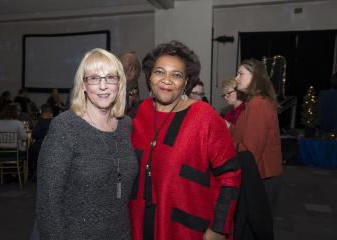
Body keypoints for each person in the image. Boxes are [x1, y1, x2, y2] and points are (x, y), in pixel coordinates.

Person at [129, 40, 241, 240]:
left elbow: (230, 176)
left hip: (188, 229)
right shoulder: (138, 113)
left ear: (187, 82)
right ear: (149, 77)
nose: (166, 80)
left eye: (176, 75)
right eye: (159, 72)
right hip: (138, 224)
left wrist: (218, 228)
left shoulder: (204, 116)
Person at [36, 48, 138, 240]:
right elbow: (48, 204)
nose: (103, 86)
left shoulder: (126, 125)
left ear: (119, 83)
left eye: (110, 77)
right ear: (83, 84)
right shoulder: (65, 127)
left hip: (122, 234)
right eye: (94, 78)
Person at [230, 58, 282, 215]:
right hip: (260, 176)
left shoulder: (258, 104)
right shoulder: (254, 102)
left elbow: (249, 152)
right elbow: (244, 134)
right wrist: (226, 127)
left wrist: (222, 146)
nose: (236, 78)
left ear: (255, 77)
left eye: (240, 74)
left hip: (261, 178)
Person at [29, 104, 53, 181]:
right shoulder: (56, 122)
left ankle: (34, 173)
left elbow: (34, 135)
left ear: (44, 113)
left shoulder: (41, 122)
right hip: (54, 149)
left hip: (41, 148)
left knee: (31, 150)